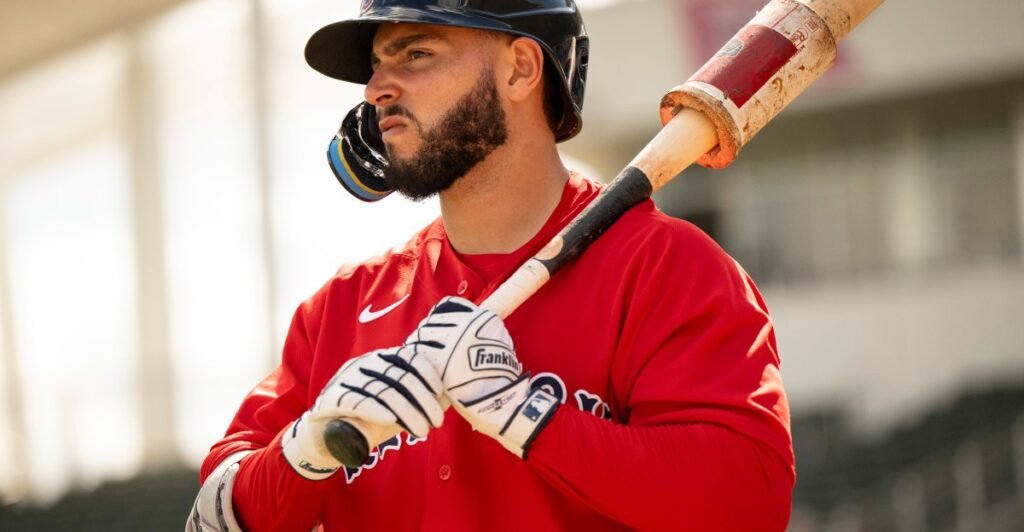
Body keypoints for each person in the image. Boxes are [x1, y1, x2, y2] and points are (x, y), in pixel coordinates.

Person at [187, 1, 794, 530]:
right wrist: (308, 448)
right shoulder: (343, 307)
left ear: (520, 69)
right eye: (376, 65)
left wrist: (525, 415)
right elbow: (214, 514)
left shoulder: (667, 268)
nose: (377, 88)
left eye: (415, 53)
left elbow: (748, 503)